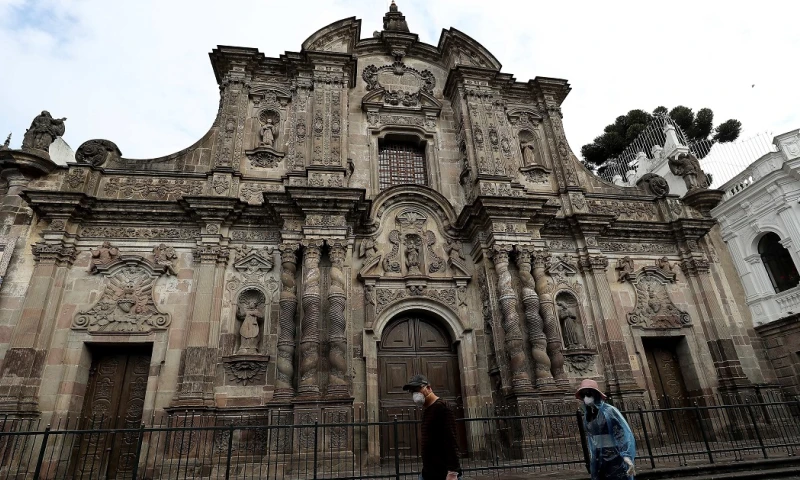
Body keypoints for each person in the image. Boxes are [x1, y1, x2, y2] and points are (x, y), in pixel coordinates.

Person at [403, 374, 461, 480]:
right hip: (428, 472)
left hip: (442, 473)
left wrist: (453, 472)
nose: (415, 394)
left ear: (429, 388)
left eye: (417, 389)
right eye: (412, 391)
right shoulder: (427, 409)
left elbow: (451, 440)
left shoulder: (442, 407)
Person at [577, 379, 636, 479]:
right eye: (583, 395)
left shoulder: (609, 411)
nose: (586, 397)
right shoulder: (588, 415)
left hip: (614, 454)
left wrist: (626, 455)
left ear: (595, 394)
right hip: (597, 455)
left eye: (588, 393)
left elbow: (621, 432)